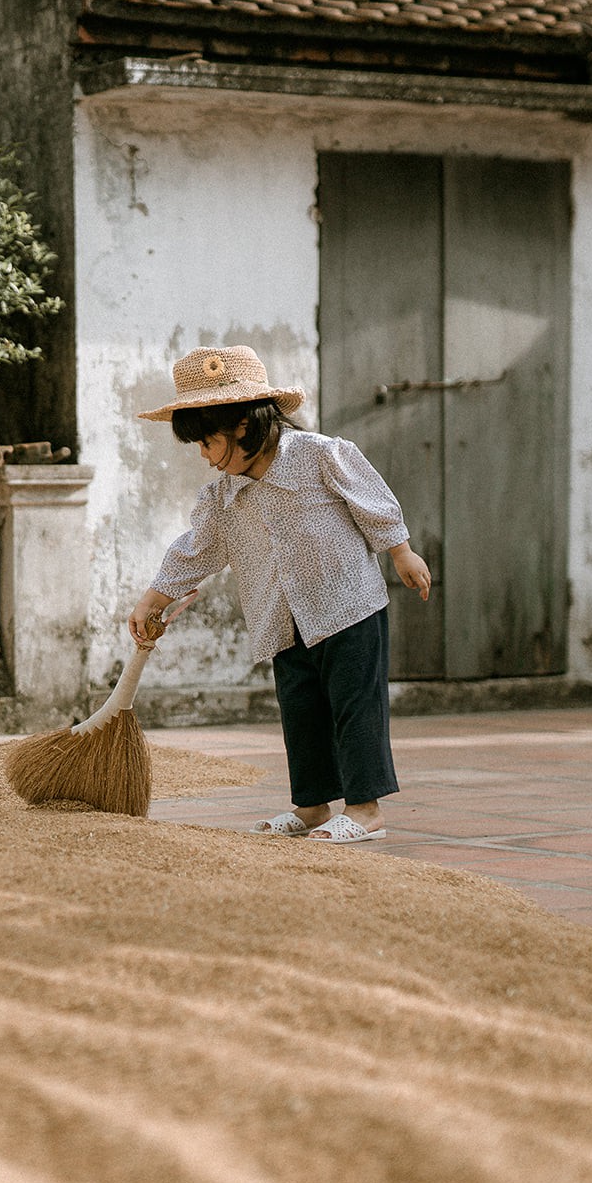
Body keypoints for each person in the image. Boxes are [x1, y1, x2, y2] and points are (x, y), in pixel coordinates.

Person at [127, 345, 431, 843]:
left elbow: (372, 500)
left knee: (354, 705)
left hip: (347, 603)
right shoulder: (224, 497)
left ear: (242, 425)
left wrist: (400, 552)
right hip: (282, 616)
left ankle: (365, 810)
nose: (204, 457)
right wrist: (153, 599)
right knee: (301, 709)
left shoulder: (321, 454)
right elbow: (196, 550)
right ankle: (311, 807)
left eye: (207, 443)